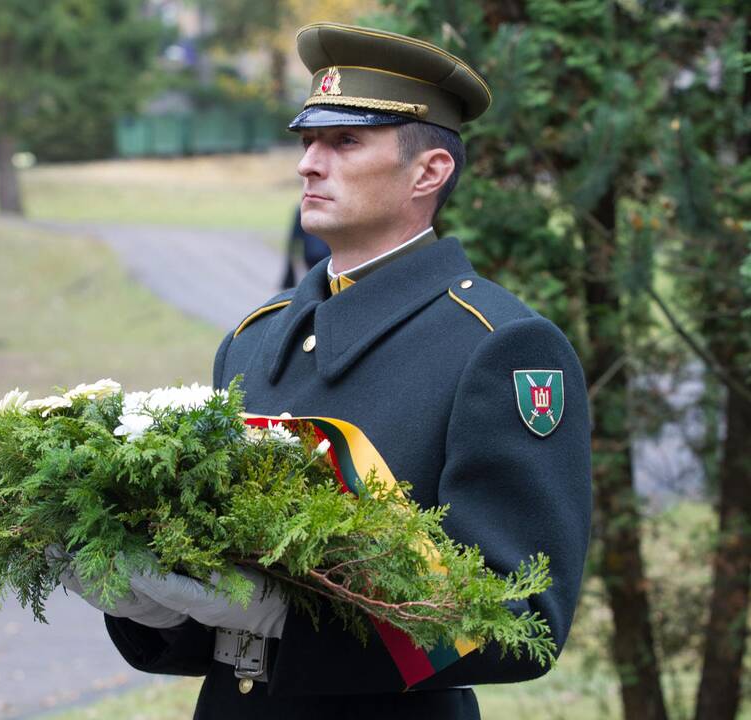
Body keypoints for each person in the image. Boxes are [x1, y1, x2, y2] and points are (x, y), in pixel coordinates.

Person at [61, 22, 592, 719]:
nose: (310, 164)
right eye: (308, 140)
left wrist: (293, 619)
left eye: (345, 142)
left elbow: (522, 617)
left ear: (429, 171)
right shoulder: (254, 340)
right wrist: (153, 606)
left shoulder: (500, 348)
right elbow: (224, 625)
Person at [280, 205, 330, 288]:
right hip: (321, 253)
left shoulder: (302, 208)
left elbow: (295, 236)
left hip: (311, 252)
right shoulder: (303, 208)